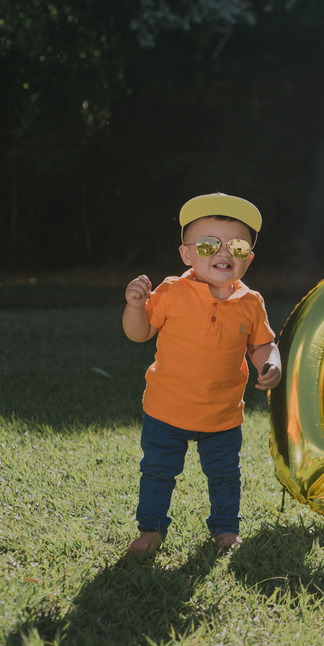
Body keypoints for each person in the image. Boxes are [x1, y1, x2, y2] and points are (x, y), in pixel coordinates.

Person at [121, 193, 282, 554]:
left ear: (248, 258)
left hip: (222, 414)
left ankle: (225, 529)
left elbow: (262, 344)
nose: (223, 253)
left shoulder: (250, 302)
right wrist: (135, 307)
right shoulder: (172, 291)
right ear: (187, 254)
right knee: (157, 471)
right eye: (209, 245)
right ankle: (151, 530)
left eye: (237, 246)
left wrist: (270, 364)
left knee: (225, 475)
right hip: (166, 409)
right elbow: (140, 332)